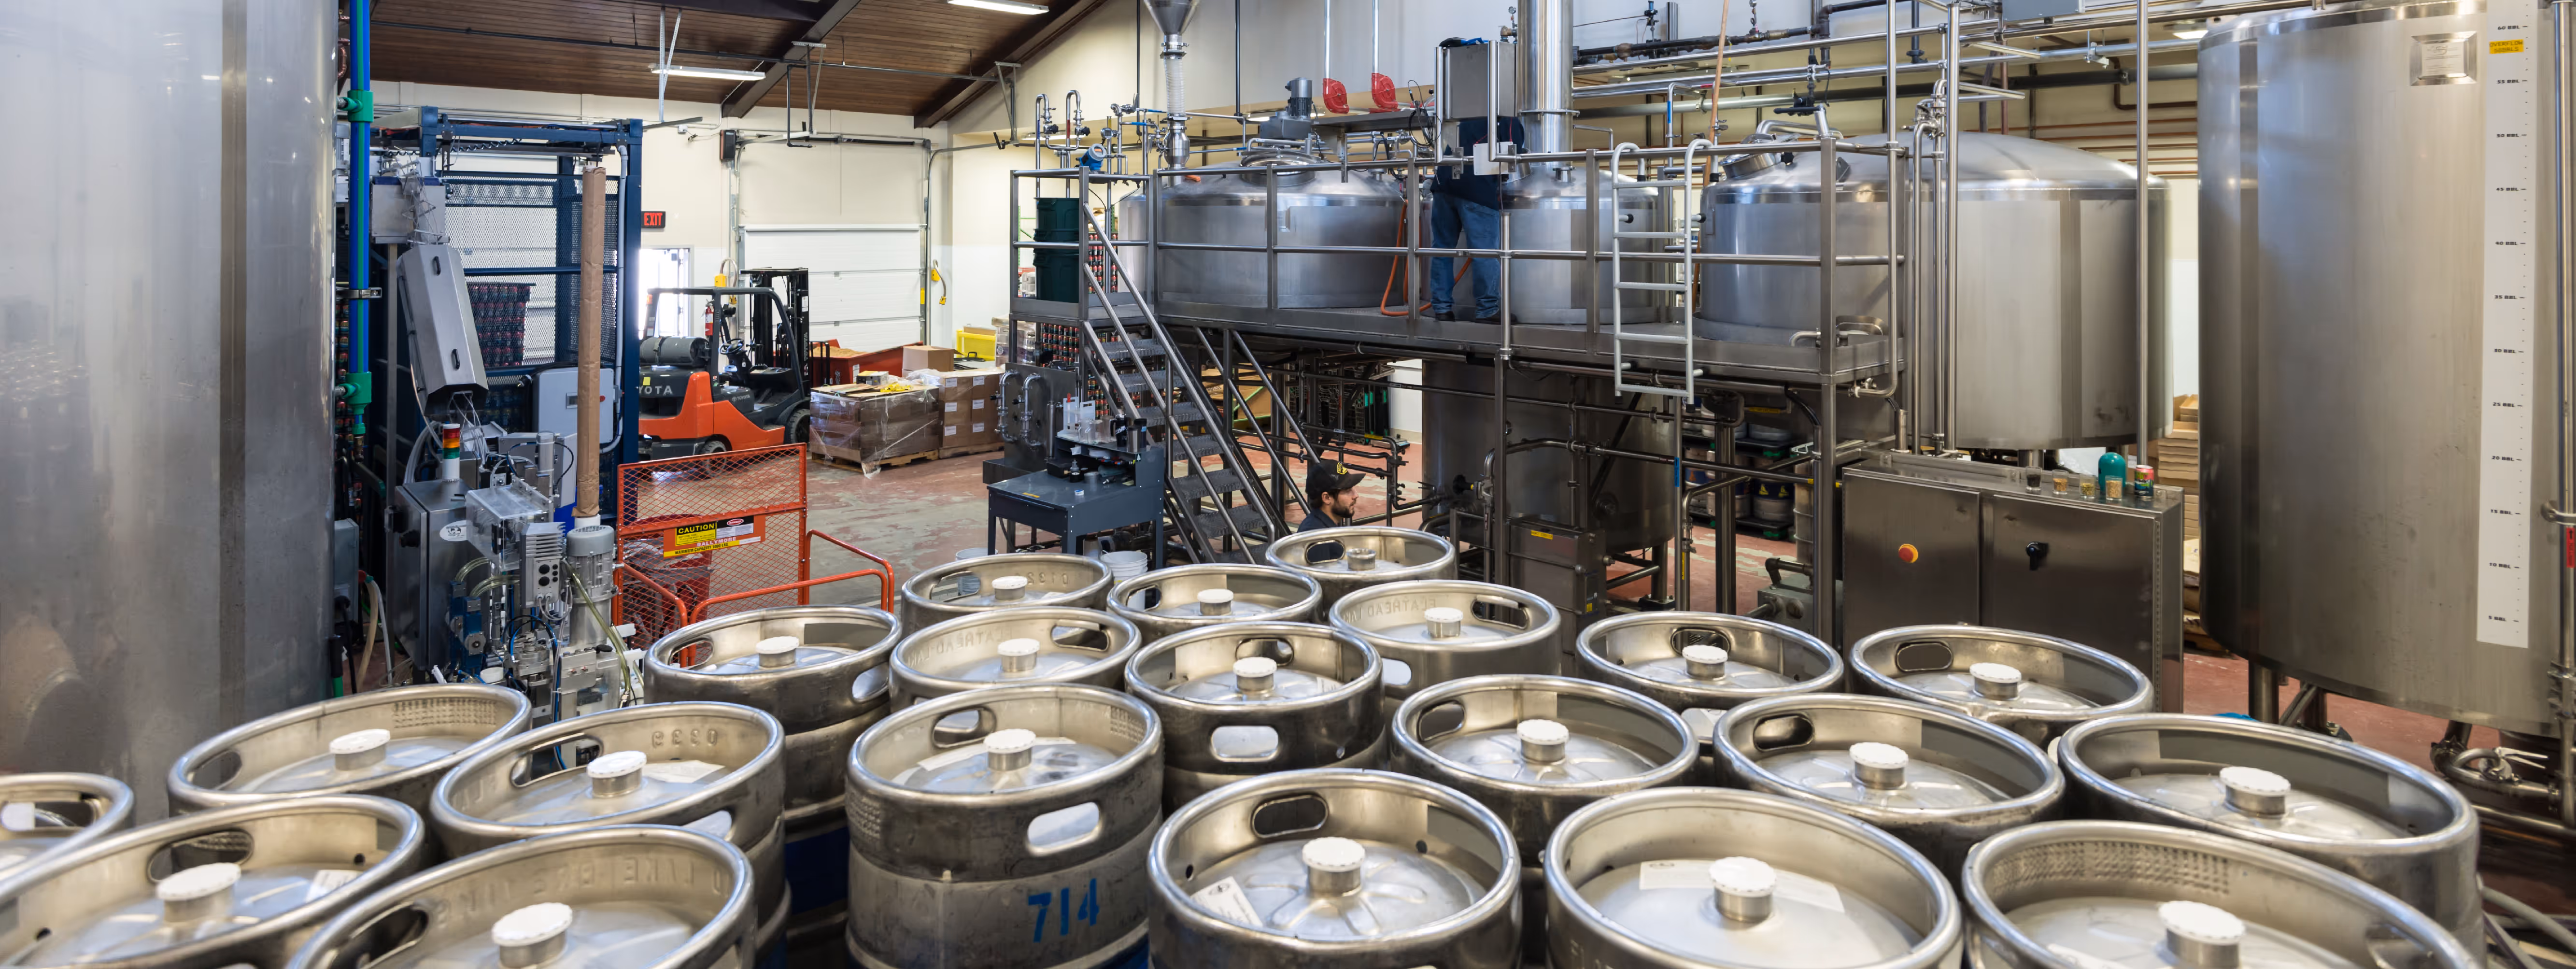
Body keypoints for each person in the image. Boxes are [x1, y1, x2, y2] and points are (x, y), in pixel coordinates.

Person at [1429, 108, 1523, 323]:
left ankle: (1442, 309)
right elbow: (1512, 153)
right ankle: (1488, 310)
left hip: (1444, 184)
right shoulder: (1507, 116)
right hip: (1476, 187)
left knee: (1441, 248)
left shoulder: (1459, 114)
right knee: (1485, 251)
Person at [1299, 461, 1368, 563]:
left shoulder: (1327, 527)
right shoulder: (1317, 539)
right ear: (1327, 498)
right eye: (1347, 490)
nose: (1355, 495)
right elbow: (1321, 578)